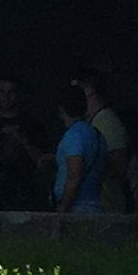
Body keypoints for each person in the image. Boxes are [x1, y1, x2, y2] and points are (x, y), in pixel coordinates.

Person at [0, 78, 47, 211]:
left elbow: (43, 163)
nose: (6, 97)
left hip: (23, 195)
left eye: (11, 92)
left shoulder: (32, 125)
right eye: (2, 92)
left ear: (18, 95)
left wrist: (24, 142)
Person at [76, 69, 134, 213]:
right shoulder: (92, 121)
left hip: (106, 207)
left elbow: (120, 165)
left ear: (89, 91)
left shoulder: (107, 122)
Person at [51, 84, 105, 215]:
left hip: (77, 208)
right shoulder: (96, 134)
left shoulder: (73, 135)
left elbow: (74, 174)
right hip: (95, 204)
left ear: (61, 109)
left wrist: (63, 208)